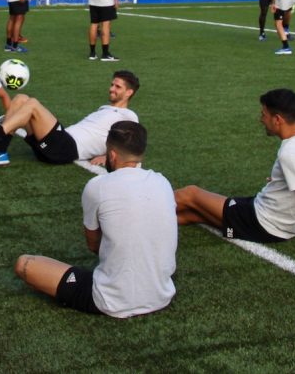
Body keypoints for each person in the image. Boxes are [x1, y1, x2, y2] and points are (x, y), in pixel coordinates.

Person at [173, 88, 295, 266]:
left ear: (277, 119)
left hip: (264, 222)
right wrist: (286, 180)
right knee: (194, 214)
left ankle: (142, 206)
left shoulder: (290, 153)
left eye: (264, 115)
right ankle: (148, 224)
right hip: (280, 223)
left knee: (190, 195)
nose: (261, 119)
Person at [13, 121, 176, 317]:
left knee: (25, 264)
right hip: (162, 295)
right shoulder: (162, 181)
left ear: (112, 155)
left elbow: (93, 245)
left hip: (110, 300)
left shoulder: (97, 186)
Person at [0, 70, 140, 167]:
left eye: (117, 87)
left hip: (66, 148)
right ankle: (0, 152)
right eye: (112, 84)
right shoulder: (105, 108)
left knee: (33, 104)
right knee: (21, 99)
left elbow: (132, 142)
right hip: (57, 143)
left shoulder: (128, 115)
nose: (111, 89)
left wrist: (106, 156)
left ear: (129, 92)